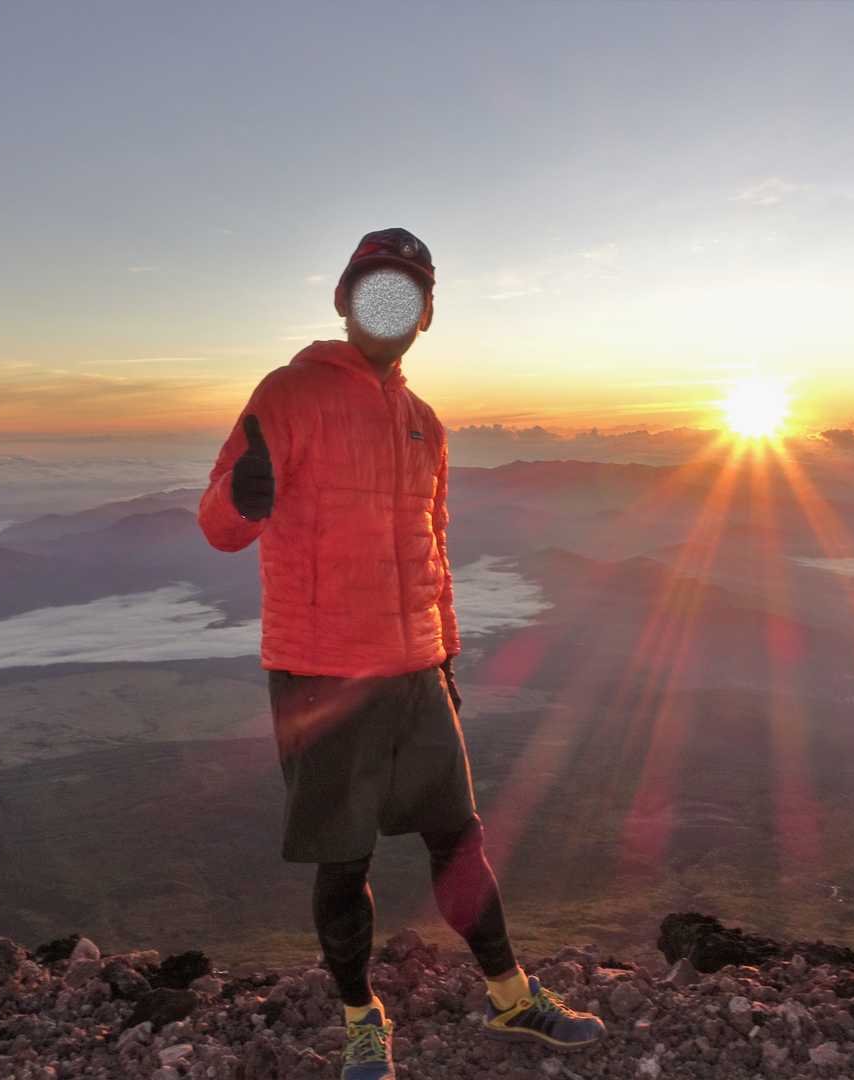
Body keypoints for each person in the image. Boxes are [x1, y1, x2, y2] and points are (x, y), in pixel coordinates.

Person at [198, 228, 606, 1079]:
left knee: (459, 841)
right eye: (375, 288)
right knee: (343, 860)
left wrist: (445, 655)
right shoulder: (287, 394)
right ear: (344, 301)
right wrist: (241, 495)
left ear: (425, 316)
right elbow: (221, 526)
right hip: (322, 671)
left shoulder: (426, 424)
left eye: (408, 294)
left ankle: (510, 997)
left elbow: (433, 549)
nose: (390, 306)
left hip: (417, 670)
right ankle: (361, 1020)